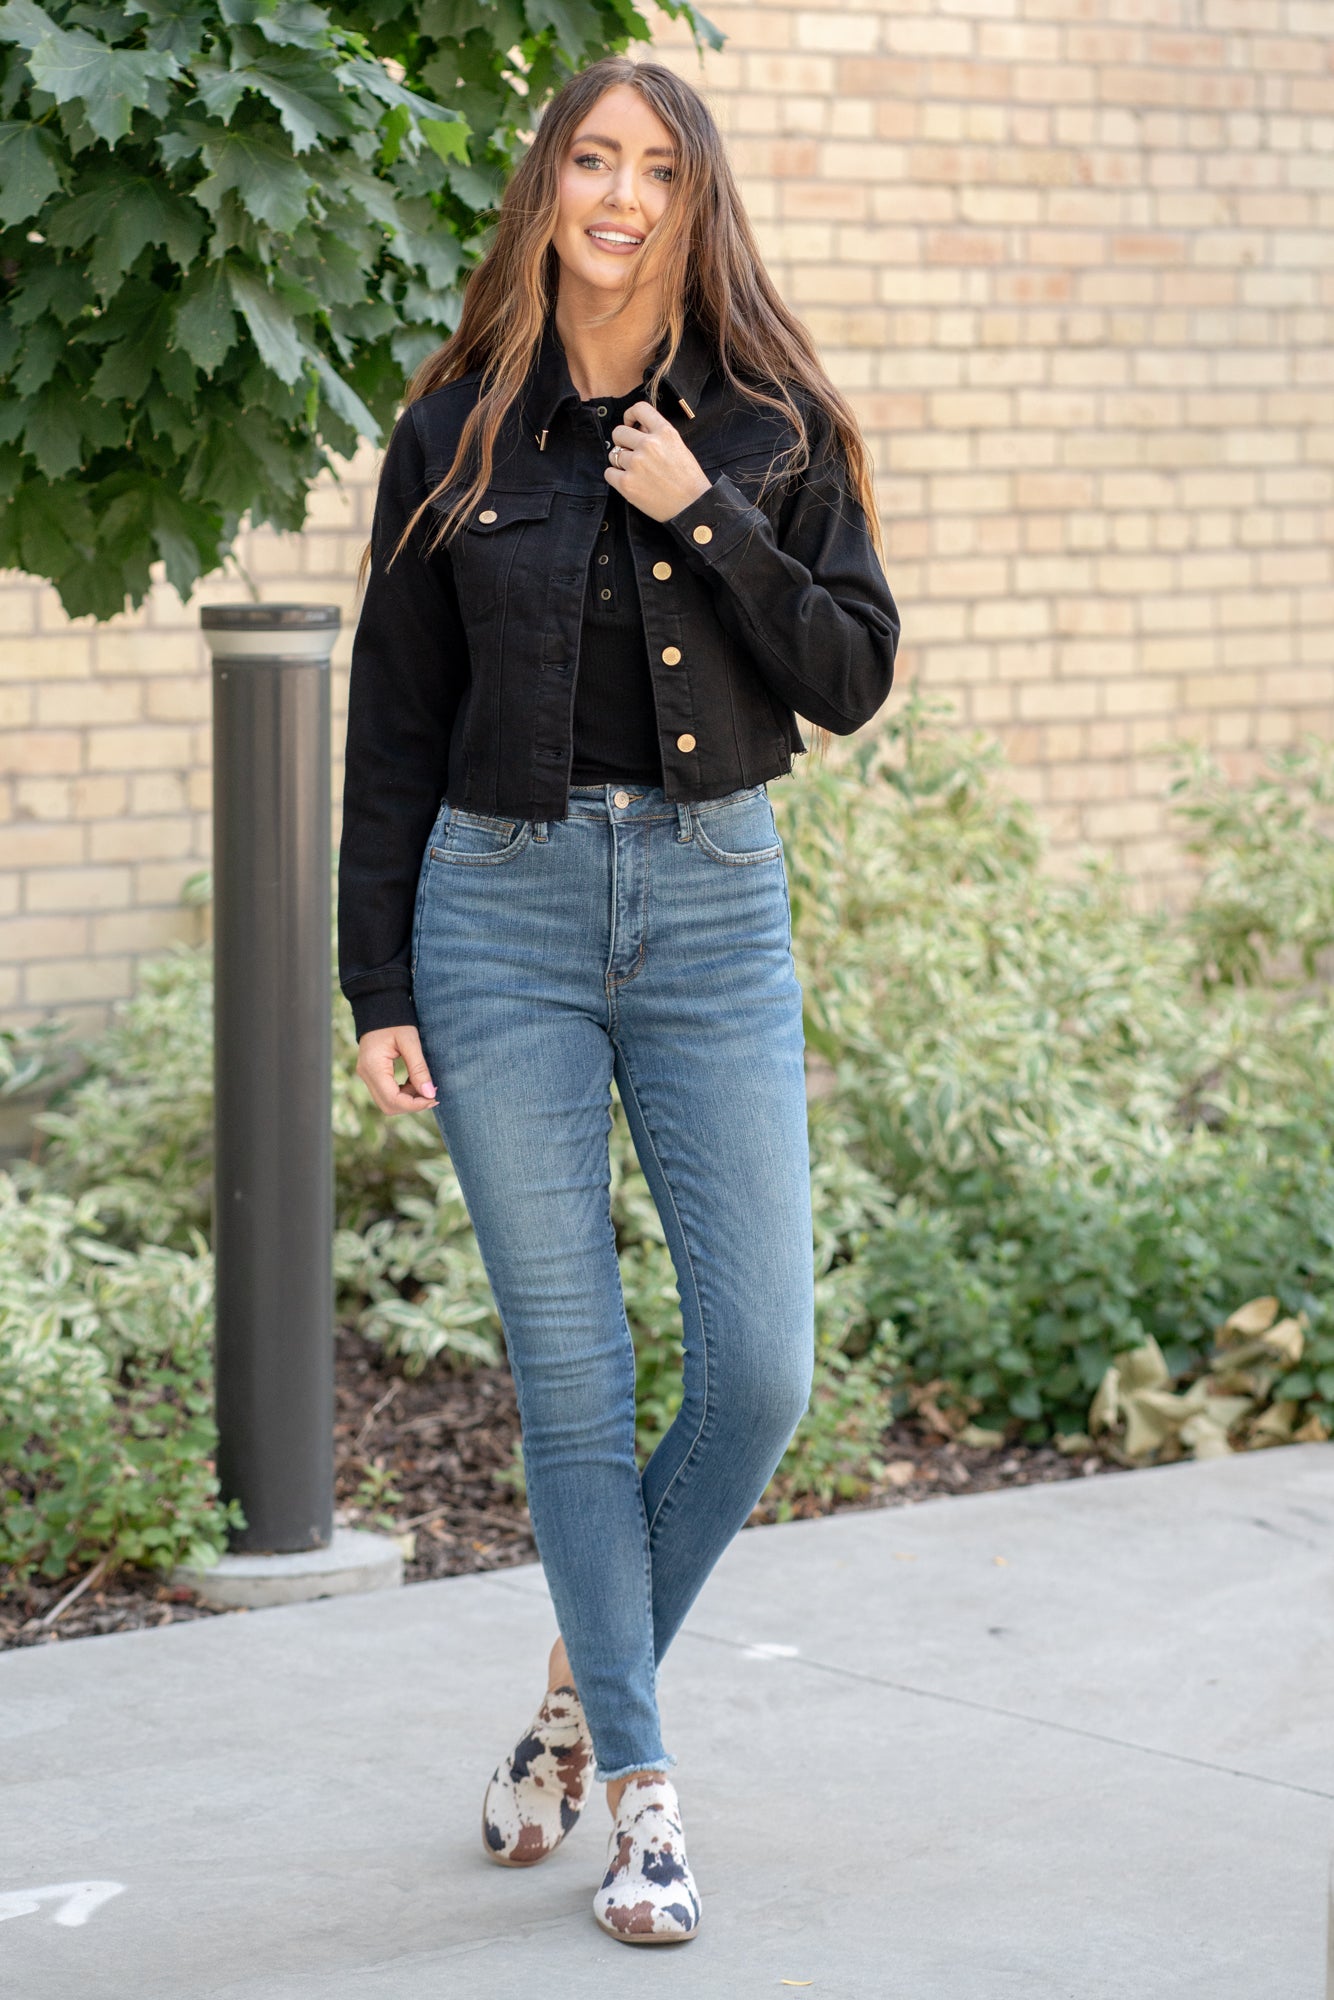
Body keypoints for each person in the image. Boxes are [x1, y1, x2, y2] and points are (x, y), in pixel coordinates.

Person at [337, 53, 900, 1946]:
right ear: (547, 188)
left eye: (659, 167)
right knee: (573, 1382)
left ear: (695, 197)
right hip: (492, 918)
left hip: (714, 905)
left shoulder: (768, 419)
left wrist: (701, 509)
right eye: (593, 159)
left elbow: (847, 677)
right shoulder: (457, 432)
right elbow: (390, 725)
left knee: (759, 1369)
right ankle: (645, 1804)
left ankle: (577, 1704)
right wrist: (375, 982)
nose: (624, 195)